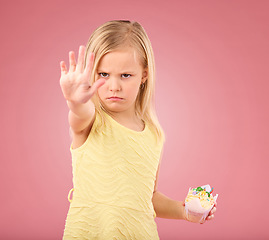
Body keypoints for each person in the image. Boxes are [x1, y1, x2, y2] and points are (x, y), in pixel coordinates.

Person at [60, 20, 217, 239]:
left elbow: (148, 197)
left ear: (144, 75)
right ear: (92, 74)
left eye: (125, 75)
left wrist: (184, 212)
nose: (114, 86)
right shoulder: (91, 120)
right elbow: (78, 115)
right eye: (103, 75)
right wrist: (75, 102)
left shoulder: (154, 135)